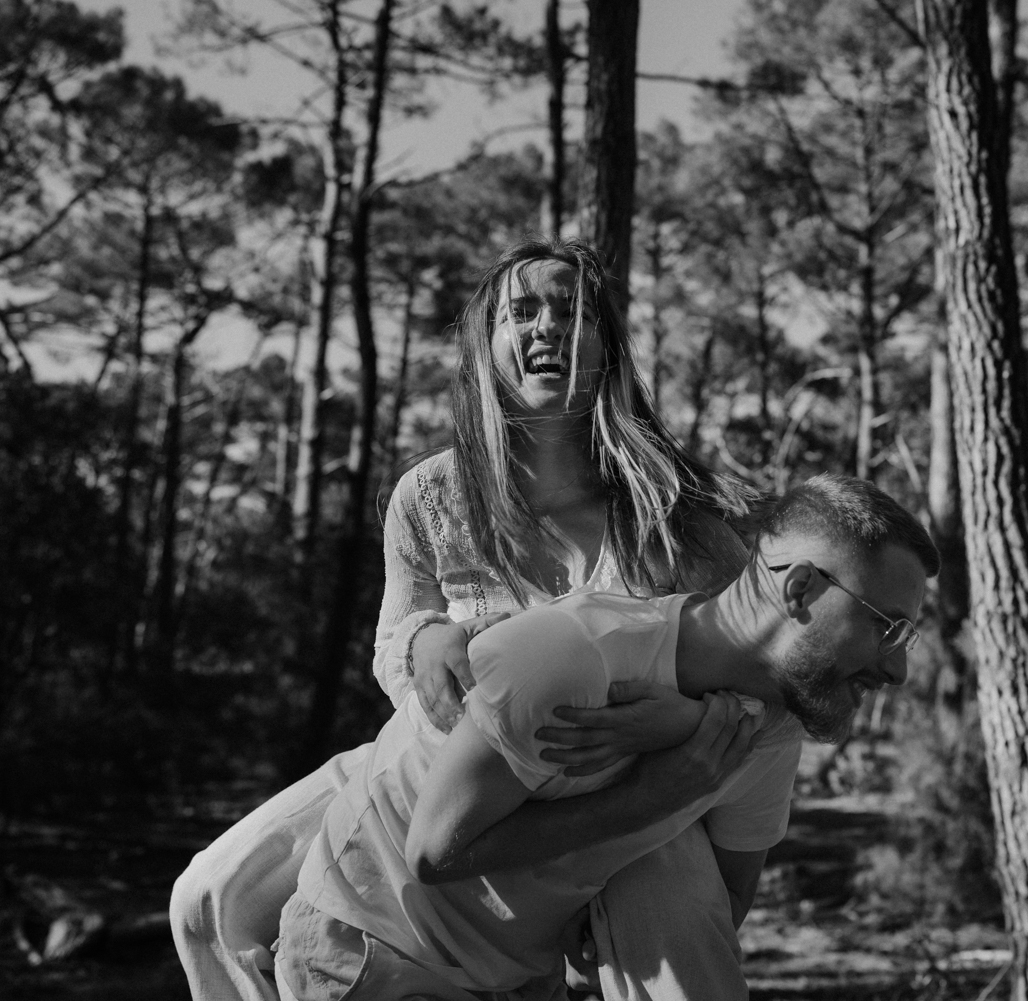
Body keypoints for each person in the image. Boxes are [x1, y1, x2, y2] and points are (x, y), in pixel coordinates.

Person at [171, 238, 760, 1001]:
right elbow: (393, 638)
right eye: (523, 311)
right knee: (207, 899)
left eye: (574, 310)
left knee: (681, 946)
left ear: (606, 349)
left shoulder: (671, 509)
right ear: (488, 348)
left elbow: (760, 671)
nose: (548, 325)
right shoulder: (431, 496)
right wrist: (424, 639)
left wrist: (676, 721)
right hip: (441, 771)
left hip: (620, 784)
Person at [274, 474, 939, 1001]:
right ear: (798, 590)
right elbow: (432, 849)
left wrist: (604, 932)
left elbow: (726, 902)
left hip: (514, 978)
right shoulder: (574, 654)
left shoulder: (767, 728)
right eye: (888, 625)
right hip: (368, 951)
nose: (899, 667)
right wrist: (648, 800)